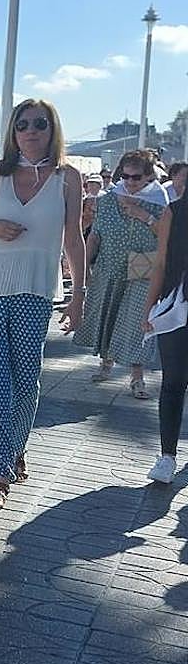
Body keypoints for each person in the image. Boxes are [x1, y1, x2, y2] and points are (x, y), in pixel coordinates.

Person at [0, 98, 85, 511]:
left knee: (27, 379)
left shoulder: (68, 178)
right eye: (22, 123)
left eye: (39, 123)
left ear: (52, 129)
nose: (30, 130)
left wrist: (79, 295)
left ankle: (15, 448)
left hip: (36, 289)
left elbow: (73, 239)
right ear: (13, 131)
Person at [75, 149, 168, 399]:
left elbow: (167, 237)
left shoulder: (161, 202)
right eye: (124, 176)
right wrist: (84, 270)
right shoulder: (108, 200)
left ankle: (137, 378)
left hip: (142, 271)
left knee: (137, 323)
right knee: (108, 314)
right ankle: (106, 362)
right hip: (109, 267)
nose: (128, 182)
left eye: (135, 177)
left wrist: (144, 215)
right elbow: (94, 236)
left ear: (149, 176)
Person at [142, 191, 187, 483]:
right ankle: (167, 456)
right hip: (177, 306)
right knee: (173, 381)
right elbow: (160, 262)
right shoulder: (175, 211)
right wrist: (149, 308)